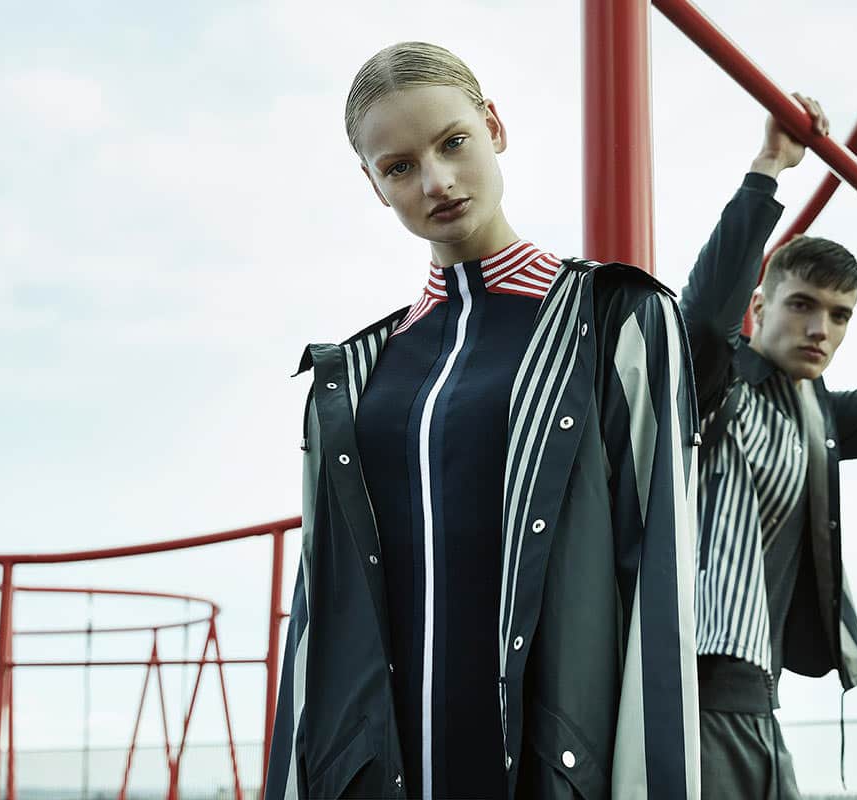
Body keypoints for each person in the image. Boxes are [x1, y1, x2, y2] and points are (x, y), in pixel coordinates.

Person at [264, 42, 703, 800]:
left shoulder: (616, 320)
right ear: (374, 185)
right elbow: (316, 621)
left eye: (453, 142)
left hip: (547, 772)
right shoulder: (355, 375)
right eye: (399, 167)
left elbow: (659, 586)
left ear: (493, 127)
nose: (436, 181)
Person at [679, 96, 857, 798]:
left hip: (756, 692)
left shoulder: (816, 413)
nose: (819, 329)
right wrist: (769, 166)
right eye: (801, 304)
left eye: (838, 316)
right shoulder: (716, 382)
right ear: (760, 307)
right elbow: (703, 320)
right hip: (690, 679)